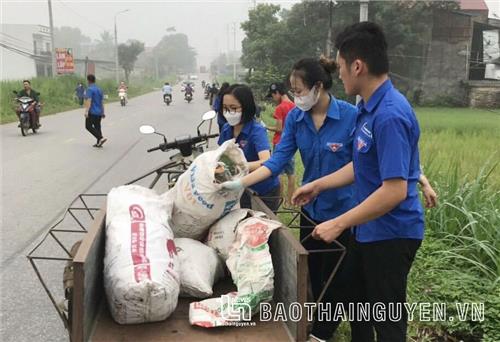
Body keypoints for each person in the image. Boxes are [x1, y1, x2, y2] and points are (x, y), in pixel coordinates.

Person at [221, 56, 437, 342]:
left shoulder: (356, 115)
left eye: (298, 90)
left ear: (318, 87)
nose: (294, 97)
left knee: (351, 289)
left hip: (351, 213)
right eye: (292, 91)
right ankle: (321, 332)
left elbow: (388, 162)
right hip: (314, 210)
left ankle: (344, 333)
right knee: (320, 279)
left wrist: (420, 179)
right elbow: (277, 161)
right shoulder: (298, 119)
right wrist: (239, 183)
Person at [292, 22, 431, 341]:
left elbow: (394, 191)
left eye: (340, 67)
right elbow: (362, 165)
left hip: (393, 232)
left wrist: (338, 222)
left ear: (358, 66)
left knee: (386, 319)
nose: (338, 75)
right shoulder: (368, 109)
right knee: (352, 299)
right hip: (369, 227)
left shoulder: (390, 115)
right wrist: (319, 185)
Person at [218, 84, 281, 212]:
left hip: (264, 189)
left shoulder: (256, 131)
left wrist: (238, 166)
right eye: (225, 108)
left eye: (233, 108)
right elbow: (221, 154)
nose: (229, 113)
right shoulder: (226, 129)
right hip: (241, 187)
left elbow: (265, 161)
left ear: (245, 107)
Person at [265, 82, 297, 206]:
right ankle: (290, 201)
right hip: (291, 144)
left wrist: (266, 127)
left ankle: (280, 199)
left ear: (277, 93)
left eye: (273, 95)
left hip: (279, 143)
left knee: (279, 173)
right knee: (291, 173)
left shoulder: (280, 107)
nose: (273, 98)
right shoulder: (294, 106)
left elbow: (279, 129)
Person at [84, 74, 107, 148]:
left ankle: (100, 138)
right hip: (99, 112)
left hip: (92, 112)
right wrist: (103, 112)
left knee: (88, 126)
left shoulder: (89, 89)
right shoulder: (99, 89)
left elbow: (89, 100)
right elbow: (102, 102)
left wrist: (87, 111)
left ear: (88, 81)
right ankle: (99, 143)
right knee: (97, 126)